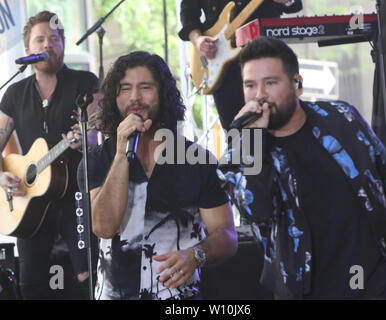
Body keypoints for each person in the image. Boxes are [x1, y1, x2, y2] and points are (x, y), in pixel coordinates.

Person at [218, 36, 386, 299]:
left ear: (297, 85)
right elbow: (260, 212)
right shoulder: (240, 149)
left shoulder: (341, 117)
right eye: (250, 85)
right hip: (310, 289)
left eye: (271, 83)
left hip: (380, 278)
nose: (259, 95)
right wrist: (253, 142)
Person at [87, 51, 237, 300]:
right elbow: (104, 227)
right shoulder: (99, 159)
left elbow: (227, 235)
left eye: (145, 87)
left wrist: (196, 254)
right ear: (114, 97)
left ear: (163, 94)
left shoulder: (197, 160)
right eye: (125, 89)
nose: (135, 97)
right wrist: (122, 154)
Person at [0, 11, 98, 299]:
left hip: (76, 191)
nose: (47, 45)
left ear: (63, 44)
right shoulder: (15, 93)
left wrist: (85, 140)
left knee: (84, 275)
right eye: (40, 39)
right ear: (27, 49)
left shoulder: (84, 82)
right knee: (31, 282)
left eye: (54, 39)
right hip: (27, 200)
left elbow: (93, 132)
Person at [179, 0, 303, 130]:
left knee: (278, 128)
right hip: (222, 62)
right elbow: (188, 9)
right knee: (234, 132)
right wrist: (197, 39)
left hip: (267, 56)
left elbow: (294, 5)